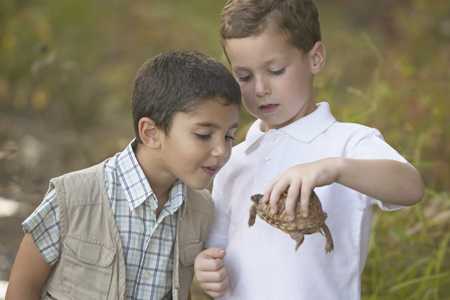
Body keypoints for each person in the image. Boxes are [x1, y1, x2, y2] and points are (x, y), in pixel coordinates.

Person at [194, 1, 424, 299]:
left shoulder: (347, 142)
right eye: (244, 77)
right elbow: (217, 249)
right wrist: (205, 271)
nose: (260, 88)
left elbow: (410, 187)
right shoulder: (232, 159)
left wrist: (333, 168)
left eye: (276, 70)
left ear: (315, 58)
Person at [6, 50, 241, 300]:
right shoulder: (72, 198)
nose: (221, 150)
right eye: (204, 135)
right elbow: (22, 289)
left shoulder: (202, 210)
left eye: (229, 136)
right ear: (150, 133)